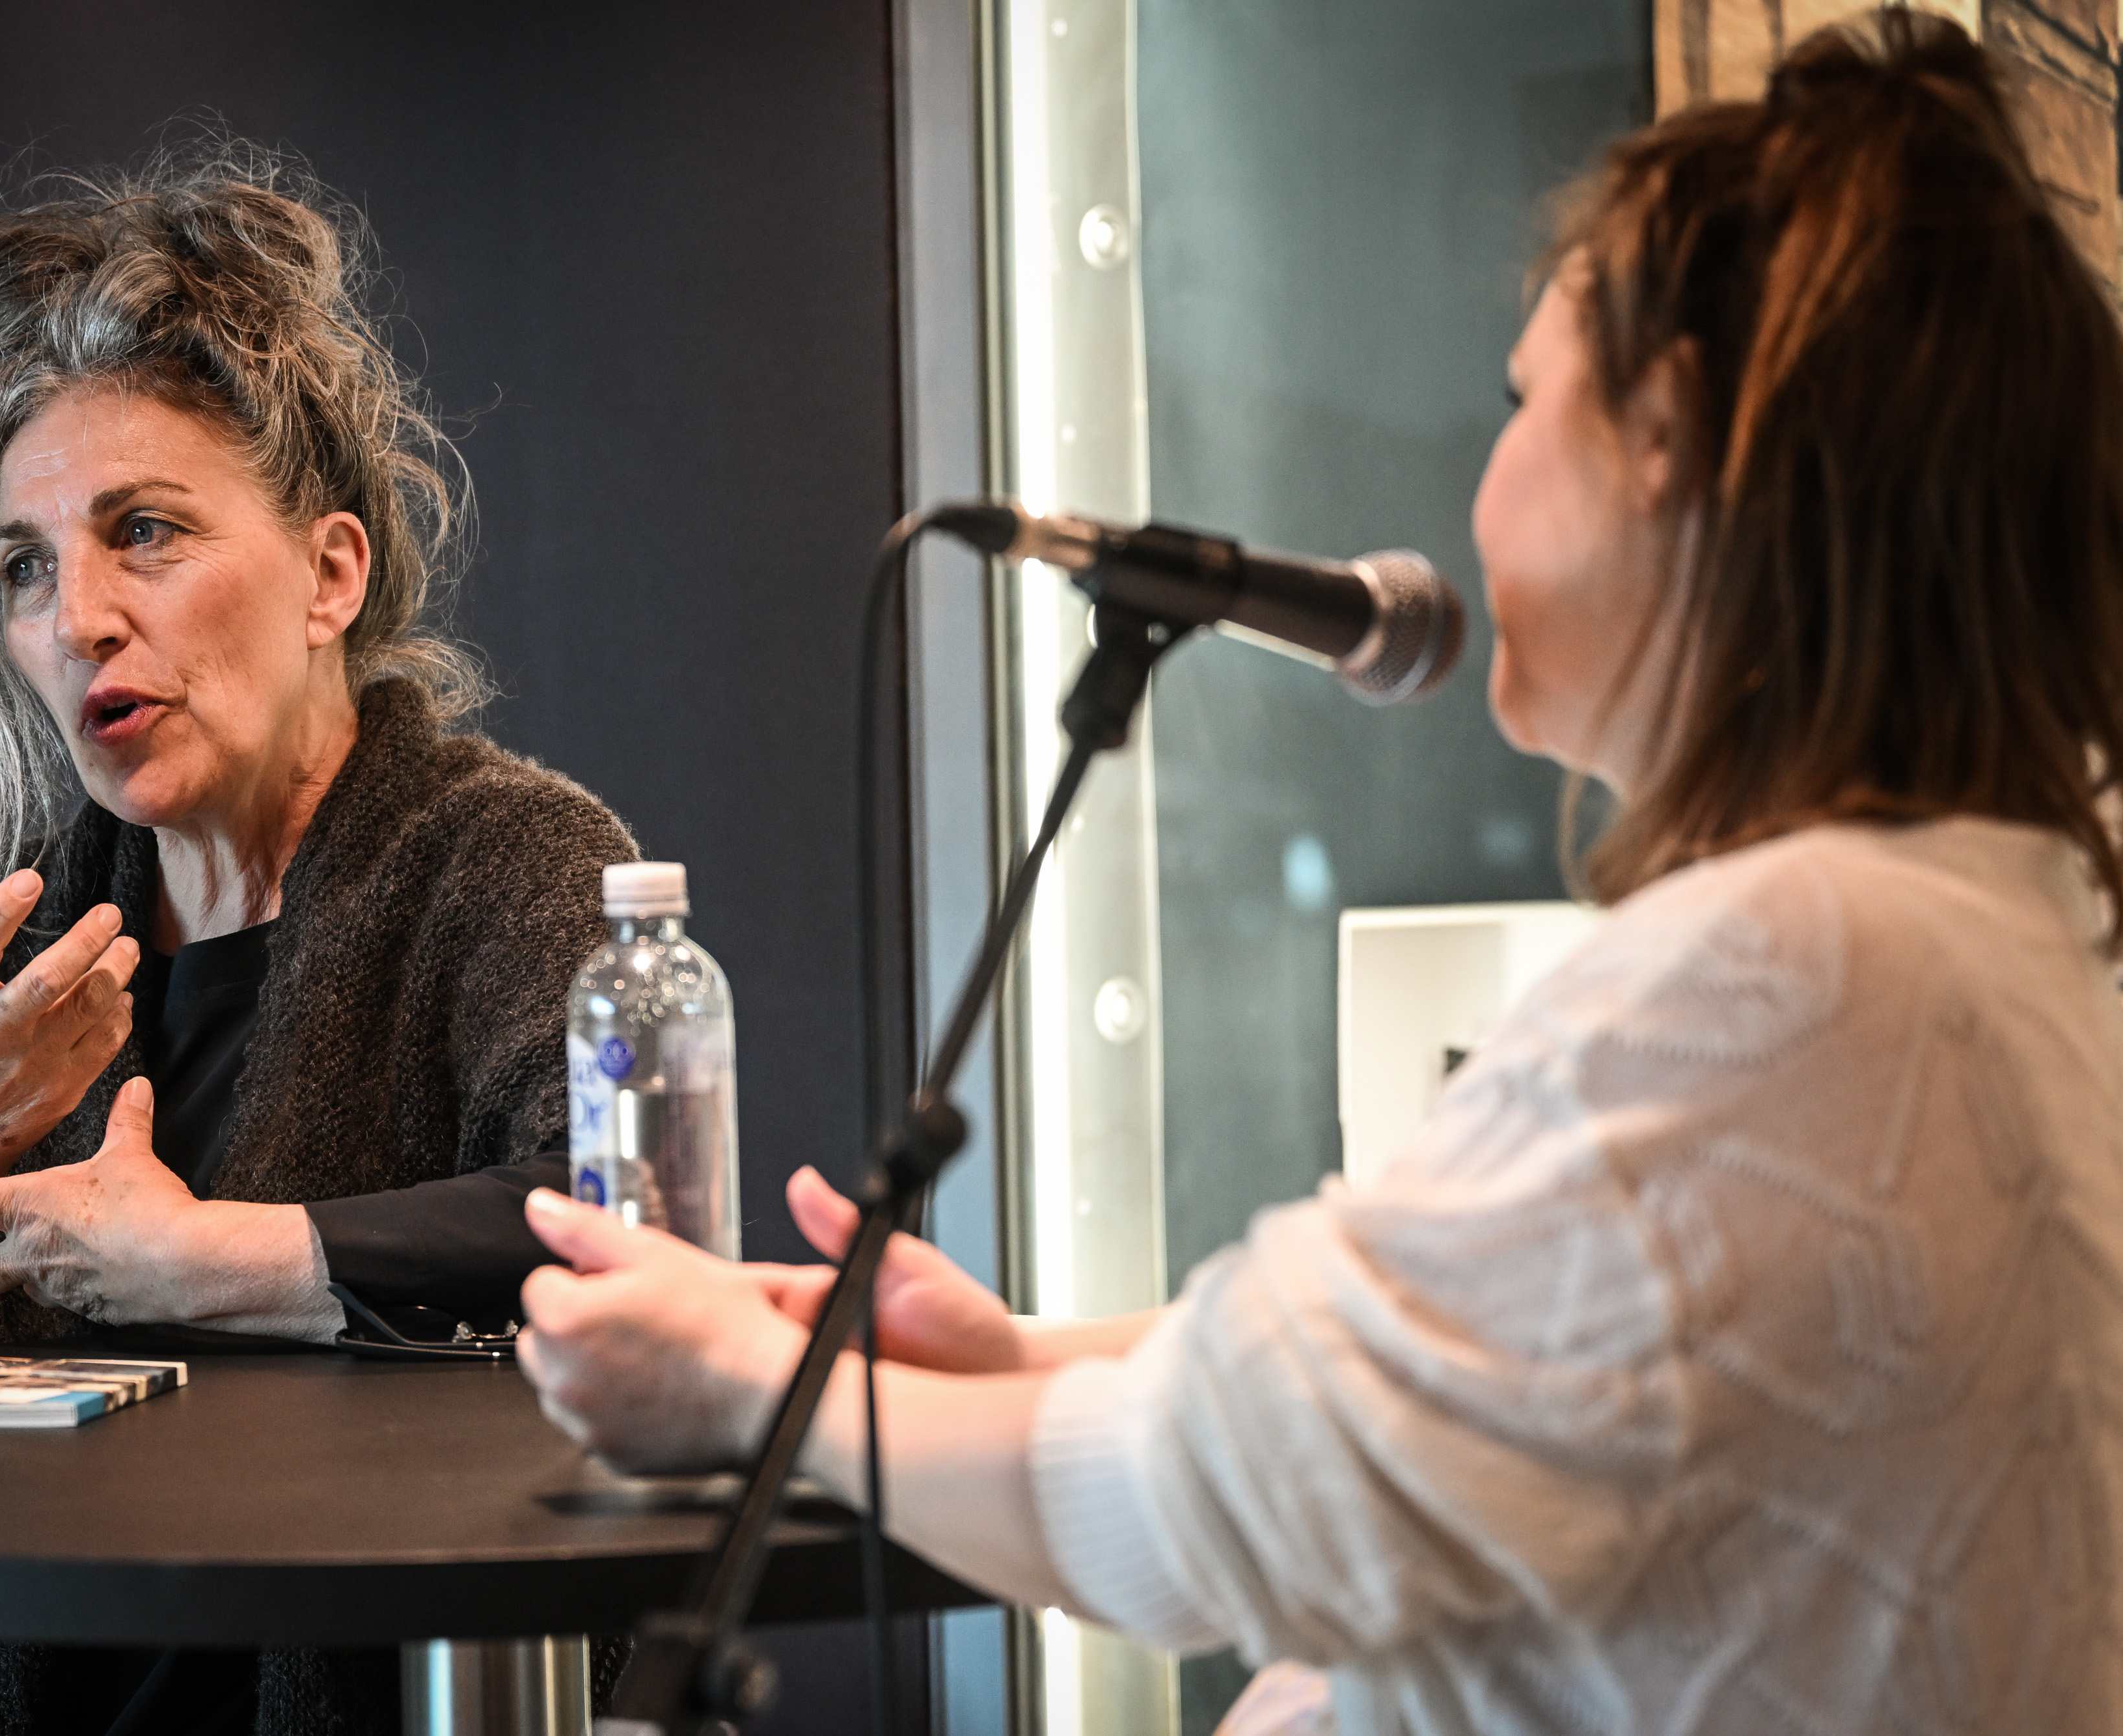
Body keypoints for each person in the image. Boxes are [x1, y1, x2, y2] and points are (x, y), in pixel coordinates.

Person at [517, 17, 2123, 1732]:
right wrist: (1020, 1360)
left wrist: (751, 1382)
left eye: (1523, 400)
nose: (1481, 480)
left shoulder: (1782, 972)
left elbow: (1207, 1505)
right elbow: (1439, 1378)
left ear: (1663, 431)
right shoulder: (1997, 934)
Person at [0, 145, 634, 1733]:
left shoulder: (503, 864)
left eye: (146, 531)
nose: (75, 617)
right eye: (24, 567)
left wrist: (207, 1259)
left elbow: (628, 1222)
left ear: (328, 573)